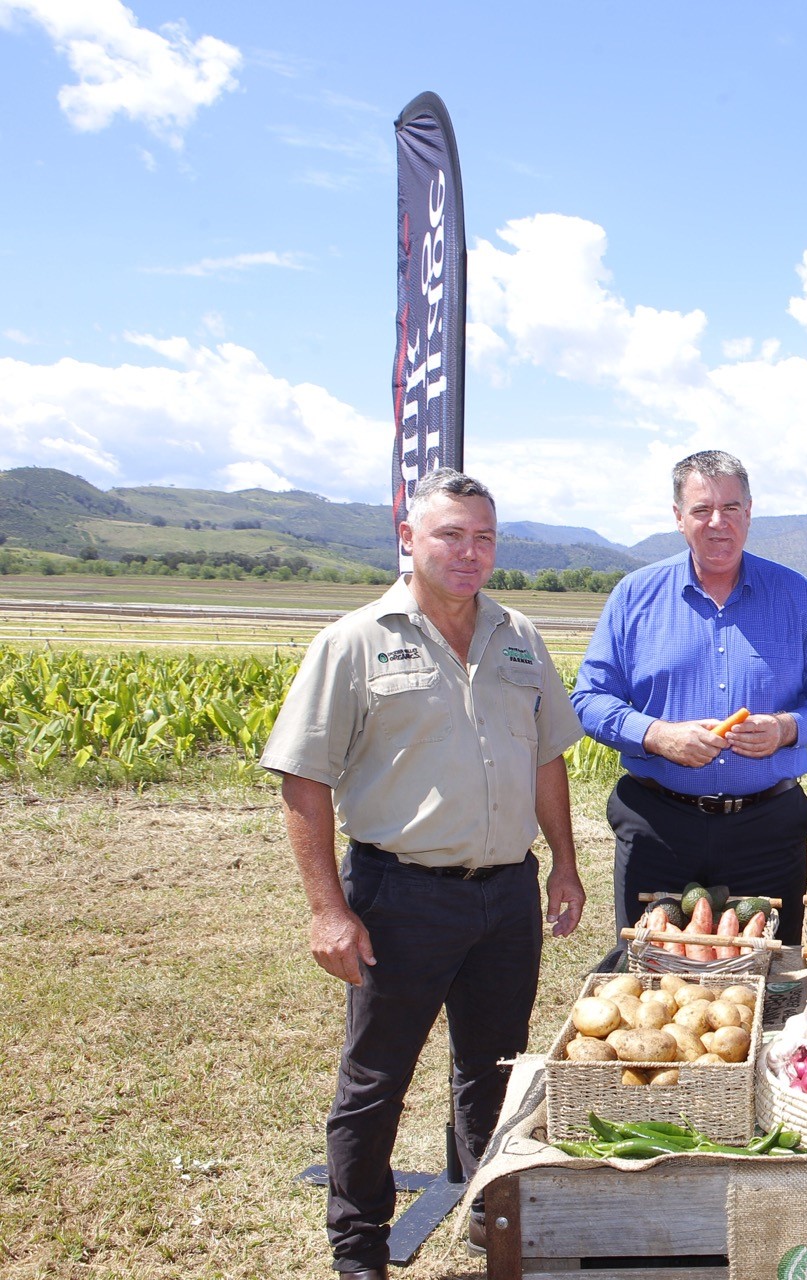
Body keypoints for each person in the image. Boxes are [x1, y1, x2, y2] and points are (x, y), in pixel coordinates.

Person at [260, 469, 585, 1280]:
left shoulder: (519, 636)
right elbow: (305, 776)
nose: (469, 552)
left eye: (484, 537)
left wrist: (565, 868)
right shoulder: (354, 640)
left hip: (507, 895)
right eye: (451, 535)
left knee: (496, 1073)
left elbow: (547, 759)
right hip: (399, 894)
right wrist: (326, 910)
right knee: (376, 1080)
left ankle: (489, 1215)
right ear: (408, 538)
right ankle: (359, 1245)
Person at [572, 449, 807, 945]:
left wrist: (787, 728)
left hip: (767, 827)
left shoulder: (799, 597)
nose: (717, 522)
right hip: (658, 825)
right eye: (702, 509)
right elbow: (590, 698)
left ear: (749, 512)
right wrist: (657, 736)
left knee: (768, 970)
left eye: (731, 507)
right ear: (678, 518)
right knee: (653, 969)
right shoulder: (634, 596)